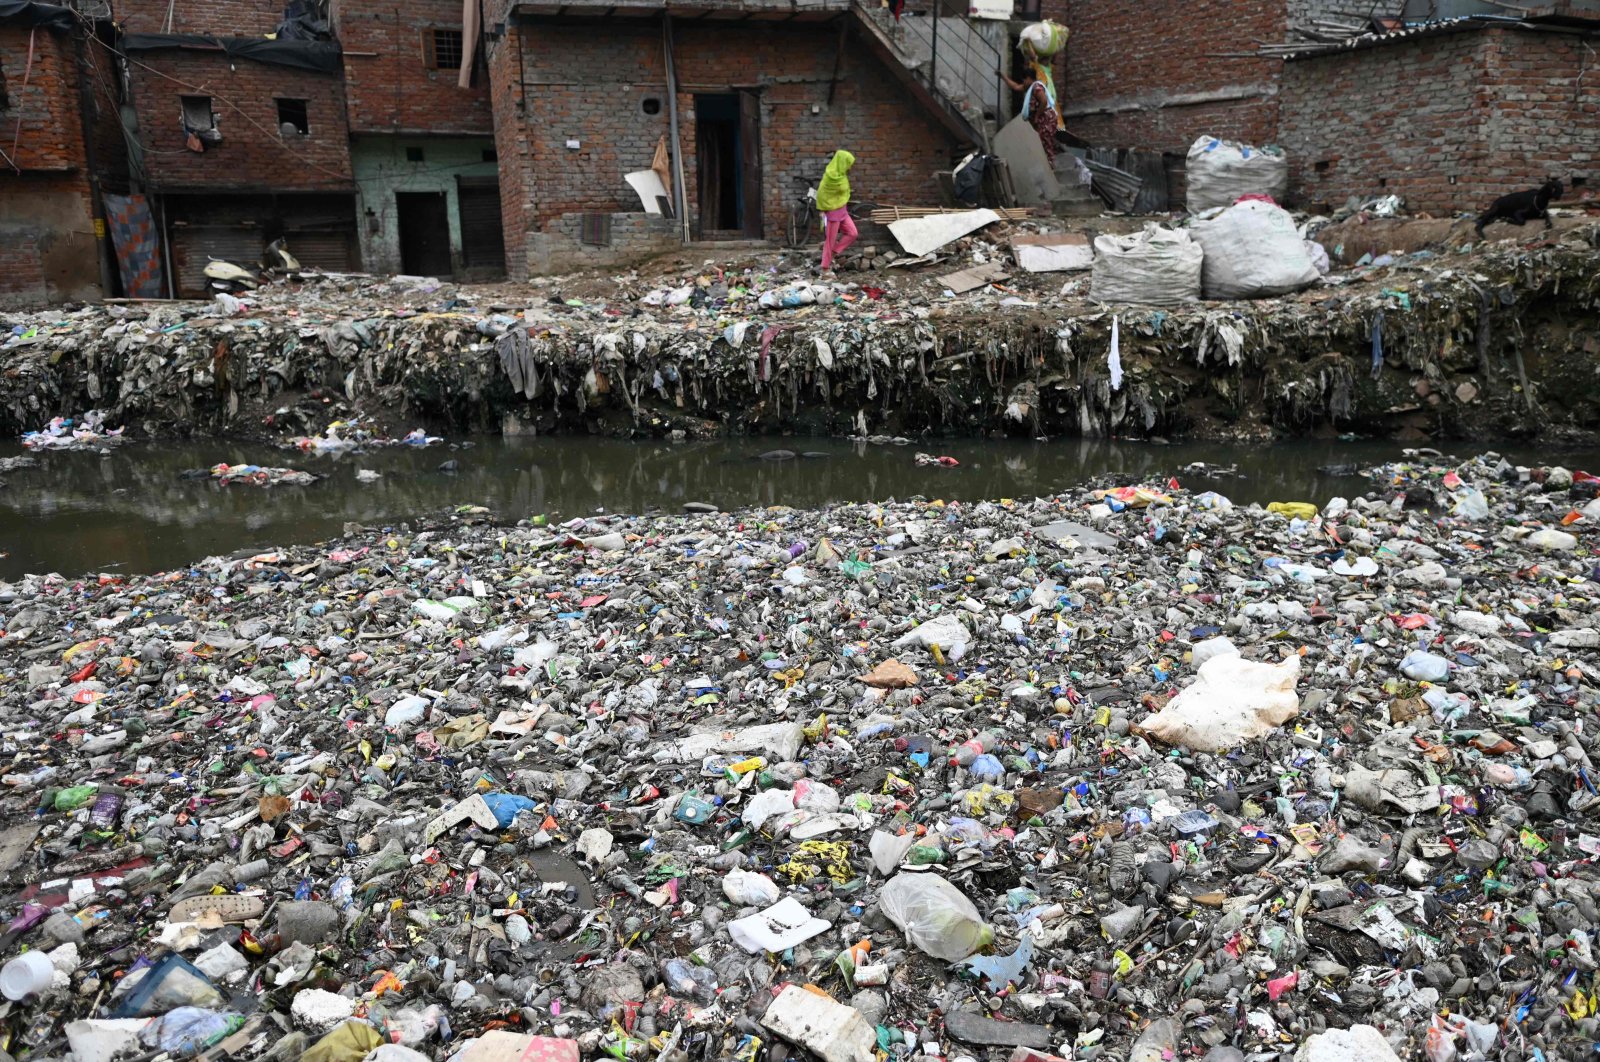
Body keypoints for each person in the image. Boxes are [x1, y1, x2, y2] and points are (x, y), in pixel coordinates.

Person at [1002, 68, 1058, 166]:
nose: (1023, 82)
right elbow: (1015, 87)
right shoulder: (1029, 88)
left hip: (1046, 118)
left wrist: (1037, 116)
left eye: (1024, 79)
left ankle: (1050, 166)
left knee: (1046, 142)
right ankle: (1047, 165)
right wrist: (1003, 77)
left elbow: (1043, 101)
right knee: (1042, 143)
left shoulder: (1036, 87)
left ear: (1028, 78)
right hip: (1042, 119)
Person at [815, 149, 857, 273]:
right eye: (848, 163)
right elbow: (821, 194)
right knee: (830, 240)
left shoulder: (842, 175)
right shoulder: (829, 177)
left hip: (842, 210)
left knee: (853, 233)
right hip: (832, 212)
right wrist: (822, 210)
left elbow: (844, 191)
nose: (850, 167)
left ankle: (833, 252)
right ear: (842, 162)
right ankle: (825, 267)